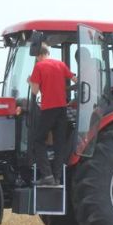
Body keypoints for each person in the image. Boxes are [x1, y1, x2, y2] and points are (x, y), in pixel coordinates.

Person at [29, 44, 77, 185]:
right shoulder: (61, 65)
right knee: (59, 144)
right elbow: (75, 79)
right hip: (62, 109)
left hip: (48, 109)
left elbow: (34, 91)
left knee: (38, 141)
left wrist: (30, 82)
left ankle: (47, 176)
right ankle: (56, 178)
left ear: (38, 56)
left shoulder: (39, 67)